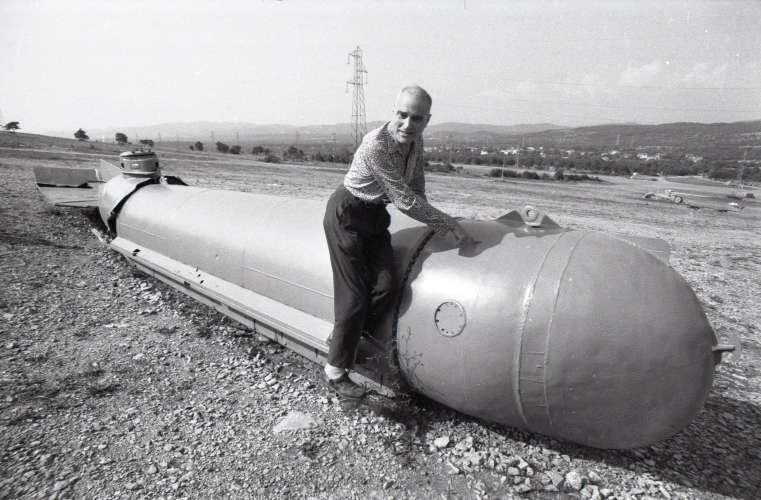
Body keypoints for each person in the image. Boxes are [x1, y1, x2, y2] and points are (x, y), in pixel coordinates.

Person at [322, 85, 476, 399]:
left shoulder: (415, 143)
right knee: (354, 297)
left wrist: (436, 219)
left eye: (416, 118)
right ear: (393, 112)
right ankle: (335, 372)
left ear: (427, 120)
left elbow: (416, 190)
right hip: (347, 214)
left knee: (387, 286)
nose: (407, 124)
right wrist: (447, 224)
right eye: (402, 115)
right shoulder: (375, 145)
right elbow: (404, 200)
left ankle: (344, 339)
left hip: (375, 216)